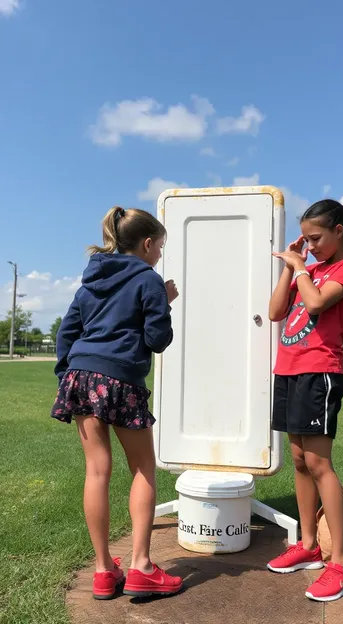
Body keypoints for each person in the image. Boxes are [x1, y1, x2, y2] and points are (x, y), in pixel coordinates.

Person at [51, 206, 183, 600]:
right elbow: (158, 339)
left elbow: (67, 332)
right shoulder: (149, 280)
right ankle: (142, 567)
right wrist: (164, 300)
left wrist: (68, 379)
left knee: (97, 472)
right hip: (122, 379)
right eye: (159, 246)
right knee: (143, 467)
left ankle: (104, 570)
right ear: (146, 244)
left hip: (81, 375)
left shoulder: (89, 282)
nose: (159, 254)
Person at [266, 199, 343, 602]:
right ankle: (309, 545)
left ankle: (341, 564)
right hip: (289, 369)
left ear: (339, 231)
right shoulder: (307, 268)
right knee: (298, 460)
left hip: (320, 371)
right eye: (306, 239)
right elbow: (277, 311)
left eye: (316, 238)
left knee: (318, 463)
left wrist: (301, 270)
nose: (309, 246)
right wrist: (291, 266)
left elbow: (315, 304)